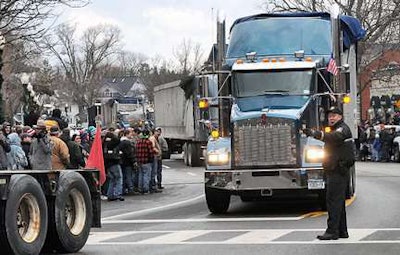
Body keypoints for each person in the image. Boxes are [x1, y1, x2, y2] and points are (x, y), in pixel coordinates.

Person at [303, 107, 354, 240]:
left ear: (340, 116)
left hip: (338, 170)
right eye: (330, 116)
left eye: (334, 116)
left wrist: (315, 133)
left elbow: (334, 138)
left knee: (333, 202)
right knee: (339, 203)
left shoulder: (342, 129)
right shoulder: (336, 129)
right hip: (335, 169)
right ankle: (342, 231)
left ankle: (332, 231)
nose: (331, 118)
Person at [103, 130, 124, 201]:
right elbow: (117, 140)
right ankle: (117, 194)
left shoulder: (104, 143)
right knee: (118, 178)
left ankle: (110, 194)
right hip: (114, 162)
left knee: (112, 179)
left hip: (107, 164)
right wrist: (113, 135)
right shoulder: (112, 143)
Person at [135, 129, 154, 194]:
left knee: (140, 175)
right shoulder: (148, 142)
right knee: (146, 175)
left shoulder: (138, 142)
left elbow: (136, 151)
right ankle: (146, 189)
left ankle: (140, 189)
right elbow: (151, 152)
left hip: (139, 161)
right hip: (146, 161)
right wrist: (152, 159)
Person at [119, 129, 136, 194]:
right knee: (128, 176)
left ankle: (122, 190)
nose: (131, 134)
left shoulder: (120, 141)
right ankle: (130, 189)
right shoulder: (127, 142)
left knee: (123, 176)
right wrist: (133, 161)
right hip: (128, 162)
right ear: (127, 134)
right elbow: (130, 153)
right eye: (130, 133)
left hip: (122, 162)